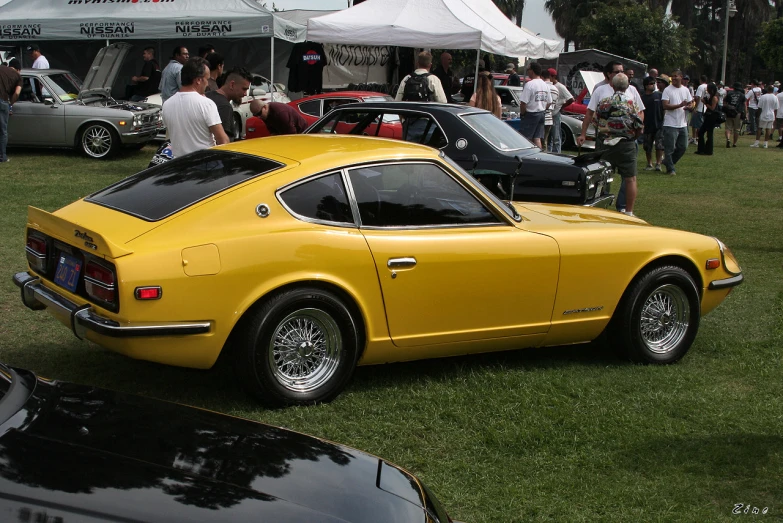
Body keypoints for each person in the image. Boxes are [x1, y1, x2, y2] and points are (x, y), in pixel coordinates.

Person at [593, 73, 644, 216]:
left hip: (606, 144)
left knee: (602, 177)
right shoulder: (630, 103)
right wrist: (635, 136)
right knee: (630, 178)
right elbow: (639, 125)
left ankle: (599, 209)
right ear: (627, 86)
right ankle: (628, 211)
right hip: (626, 144)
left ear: (612, 85)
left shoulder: (604, 102)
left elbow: (595, 121)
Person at [161, 57, 229, 158]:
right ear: (198, 80)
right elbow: (223, 140)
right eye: (207, 79)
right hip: (205, 163)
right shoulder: (206, 104)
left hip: (179, 165)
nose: (208, 83)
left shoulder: (167, 104)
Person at [578, 61, 644, 150]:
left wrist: (636, 132)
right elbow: (590, 113)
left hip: (627, 139)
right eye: (617, 72)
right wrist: (583, 134)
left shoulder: (632, 89)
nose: (621, 74)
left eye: (622, 71)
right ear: (609, 74)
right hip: (605, 139)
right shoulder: (600, 90)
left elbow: (640, 112)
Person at [660, 70, 693, 176]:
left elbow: (690, 103)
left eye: (676, 76)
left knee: (683, 147)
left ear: (681, 77)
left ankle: (668, 162)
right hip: (670, 123)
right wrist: (679, 105)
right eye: (672, 77)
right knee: (669, 148)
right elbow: (665, 105)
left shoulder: (685, 90)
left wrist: (689, 107)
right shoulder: (667, 90)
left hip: (682, 123)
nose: (673, 78)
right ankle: (670, 169)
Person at [206, 67, 252, 141]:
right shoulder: (225, 107)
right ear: (232, 84)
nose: (245, 94)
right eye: (244, 89)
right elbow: (223, 143)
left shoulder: (207, 95)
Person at [518, 62, 552, 149]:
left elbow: (523, 103)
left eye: (528, 70)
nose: (528, 72)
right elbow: (549, 102)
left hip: (531, 114)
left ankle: (526, 157)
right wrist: (543, 108)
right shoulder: (545, 85)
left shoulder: (530, 84)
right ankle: (538, 157)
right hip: (541, 113)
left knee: (525, 138)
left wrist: (523, 114)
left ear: (532, 71)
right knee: (537, 138)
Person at [0, 59, 22, 163]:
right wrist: (10, 105)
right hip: (2, 101)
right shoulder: (18, 76)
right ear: (18, 69)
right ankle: (2, 157)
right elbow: (17, 93)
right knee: (2, 131)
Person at [641, 76, 664, 170]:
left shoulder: (659, 95)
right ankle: (649, 163)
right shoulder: (642, 97)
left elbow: (663, 108)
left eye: (654, 83)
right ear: (646, 86)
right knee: (647, 146)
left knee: (659, 145)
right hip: (647, 125)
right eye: (651, 83)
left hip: (659, 124)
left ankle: (658, 163)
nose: (653, 85)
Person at [549, 68, 573, 153]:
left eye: (549, 76)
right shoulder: (549, 85)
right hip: (549, 114)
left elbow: (571, 99)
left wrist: (562, 106)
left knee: (556, 136)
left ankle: (557, 153)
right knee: (549, 136)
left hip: (556, 113)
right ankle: (550, 152)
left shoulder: (560, 87)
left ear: (553, 77)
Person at [695, 83, 719, 155]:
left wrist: (705, 103)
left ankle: (708, 150)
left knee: (709, 133)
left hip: (712, 117)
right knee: (701, 132)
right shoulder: (710, 96)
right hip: (708, 116)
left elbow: (712, 108)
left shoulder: (714, 98)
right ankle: (702, 149)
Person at [723, 81, 746, 148]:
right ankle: (734, 143)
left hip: (729, 112)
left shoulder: (729, 93)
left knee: (728, 127)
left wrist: (726, 107)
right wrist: (745, 113)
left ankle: (728, 139)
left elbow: (724, 101)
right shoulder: (742, 95)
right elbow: (744, 105)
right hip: (738, 113)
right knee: (737, 129)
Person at [541, 68, 559, 147]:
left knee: (537, 141)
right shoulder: (555, 89)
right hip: (550, 118)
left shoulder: (542, 87)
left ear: (542, 77)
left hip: (541, 117)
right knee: (545, 141)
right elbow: (555, 104)